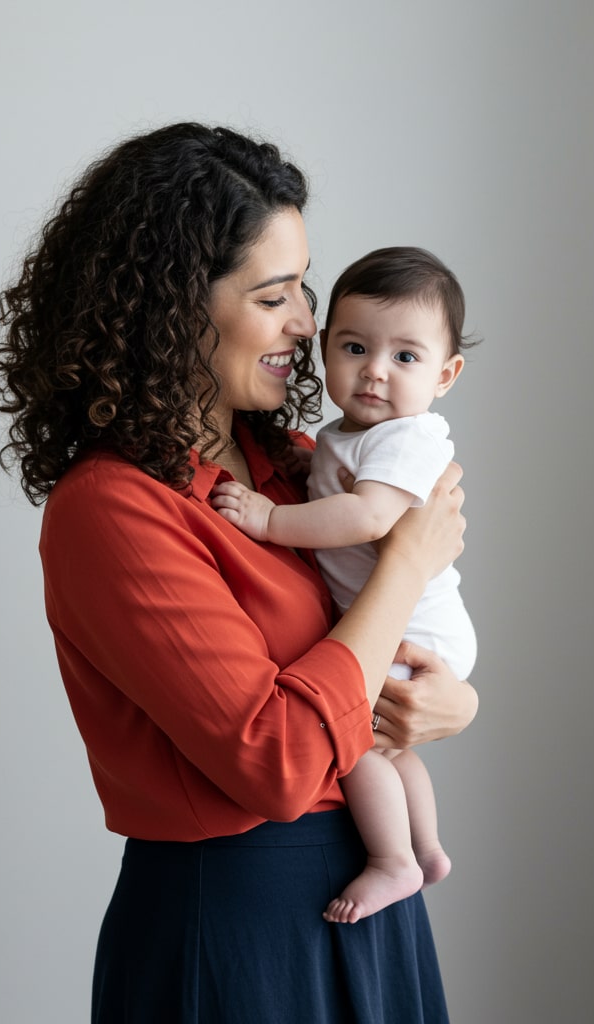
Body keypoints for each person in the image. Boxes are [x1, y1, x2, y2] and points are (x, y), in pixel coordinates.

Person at [0, 123, 477, 1023]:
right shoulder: (114, 509)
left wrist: (454, 702)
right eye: (274, 294)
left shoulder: (297, 463)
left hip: (376, 889)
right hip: (237, 928)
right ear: (174, 307)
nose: (308, 323)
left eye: (304, 288)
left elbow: (394, 660)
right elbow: (280, 761)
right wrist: (405, 566)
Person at [211, 247, 477, 925]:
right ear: (328, 348)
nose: (376, 373)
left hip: (417, 630)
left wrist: (270, 521)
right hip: (407, 622)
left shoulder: (405, 440)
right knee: (385, 748)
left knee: (352, 743)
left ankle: (395, 860)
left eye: (406, 358)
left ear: (446, 375)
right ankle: (426, 846)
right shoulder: (339, 440)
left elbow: (367, 517)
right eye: (355, 347)